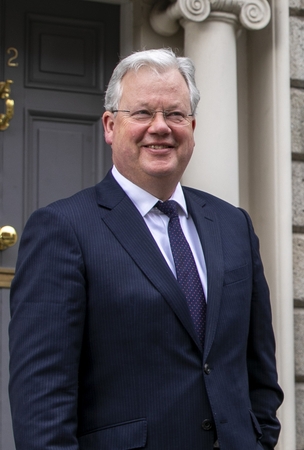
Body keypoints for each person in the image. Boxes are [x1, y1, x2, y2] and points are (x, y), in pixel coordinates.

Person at [9, 48, 282, 450]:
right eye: (141, 113)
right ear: (109, 125)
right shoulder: (63, 229)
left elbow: (258, 363)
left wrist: (260, 437)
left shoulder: (232, 224)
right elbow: (41, 397)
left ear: (192, 126)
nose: (160, 127)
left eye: (174, 114)